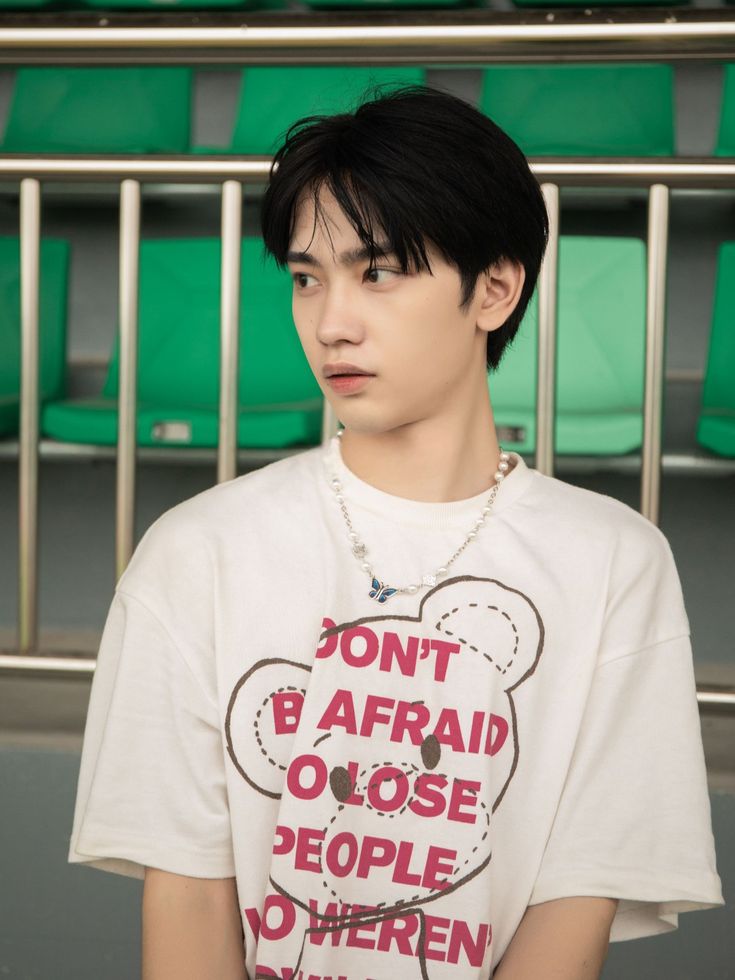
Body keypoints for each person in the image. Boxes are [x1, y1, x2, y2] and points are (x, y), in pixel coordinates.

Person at [68, 83, 724, 980]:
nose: (331, 323)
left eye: (377, 272)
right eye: (307, 278)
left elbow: (577, 895)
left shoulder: (611, 561)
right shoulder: (198, 550)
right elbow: (186, 895)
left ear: (494, 288)